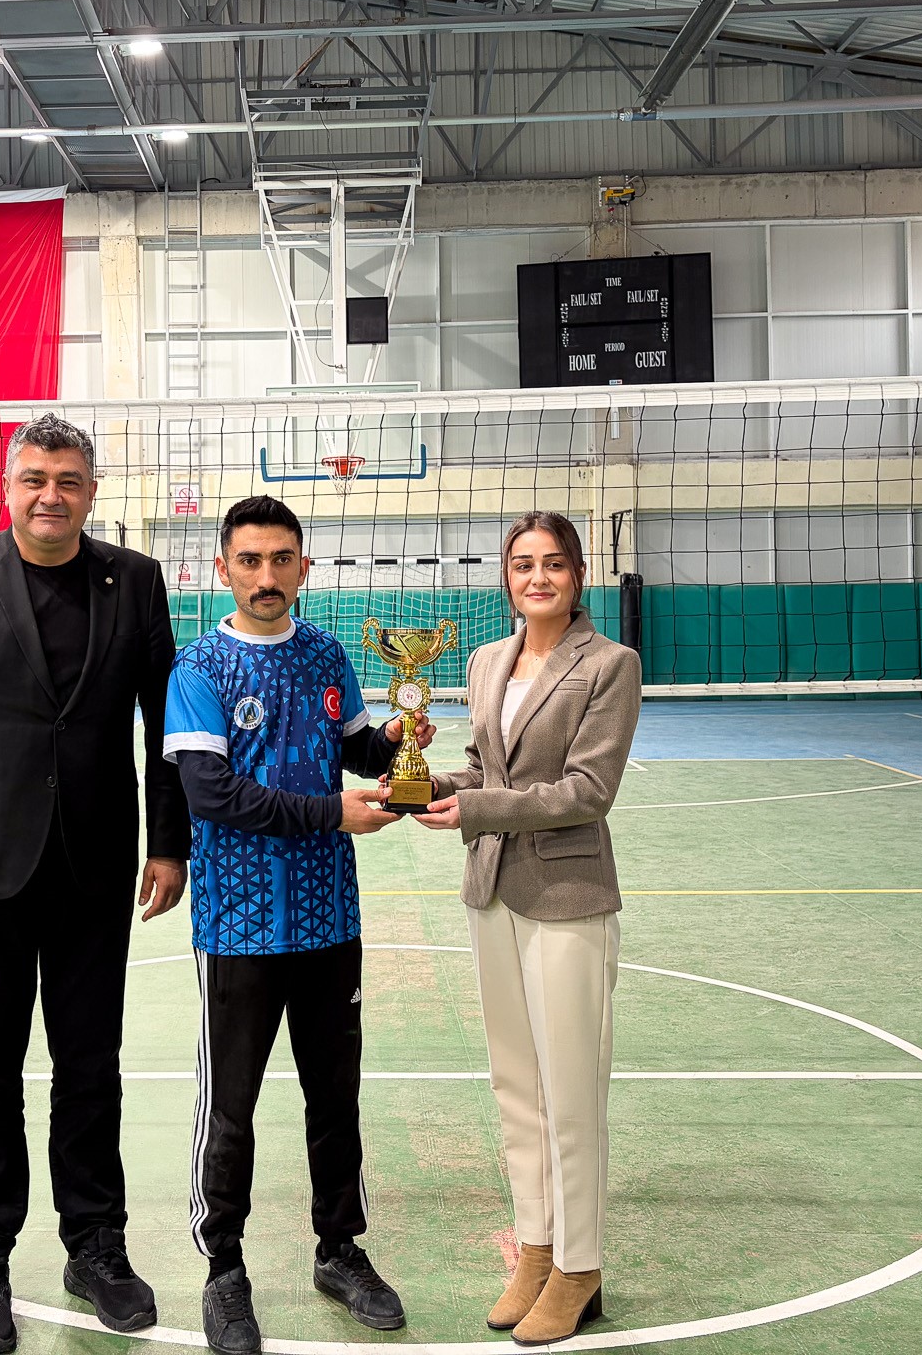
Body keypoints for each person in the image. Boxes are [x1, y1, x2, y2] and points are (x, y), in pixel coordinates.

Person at [0, 414, 188, 1355]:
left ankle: (95, 1247)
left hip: (95, 865)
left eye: (68, 480)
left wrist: (169, 844)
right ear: (7, 487)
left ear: (91, 491)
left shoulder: (134, 579)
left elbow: (165, 721)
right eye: (34, 479)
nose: (51, 495)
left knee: (91, 1070)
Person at [164, 495, 433, 1355]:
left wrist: (400, 740)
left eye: (282, 559)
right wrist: (331, 814)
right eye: (250, 560)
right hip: (238, 924)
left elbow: (355, 749)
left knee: (334, 1096)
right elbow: (211, 794)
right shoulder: (199, 667)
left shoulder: (325, 652)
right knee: (231, 1106)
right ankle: (224, 1270)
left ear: (304, 568)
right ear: (224, 569)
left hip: (328, 918)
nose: (267, 575)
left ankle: (339, 1249)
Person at [420, 510, 640, 1345]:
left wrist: (476, 808)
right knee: (516, 1087)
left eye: (552, 563)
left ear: (577, 575)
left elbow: (588, 791)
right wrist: (425, 785)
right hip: (493, 891)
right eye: (522, 564)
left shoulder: (610, 665)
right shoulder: (486, 661)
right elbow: (486, 768)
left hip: (568, 895)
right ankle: (537, 1251)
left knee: (570, 1094)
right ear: (506, 578)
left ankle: (580, 1268)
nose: (537, 577)